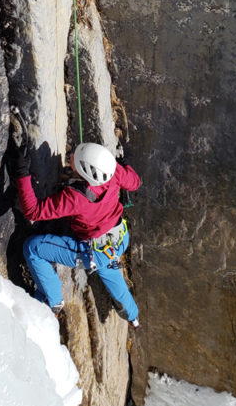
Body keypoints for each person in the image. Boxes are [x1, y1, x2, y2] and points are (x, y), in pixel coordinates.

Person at [11, 140, 142, 327]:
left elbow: (34, 211)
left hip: (91, 255)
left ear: (85, 173)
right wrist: (125, 164)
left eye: (75, 158)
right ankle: (133, 317)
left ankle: (52, 300)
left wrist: (22, 175)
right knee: (112, 274)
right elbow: (135, 183)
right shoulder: (112, 173)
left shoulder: (75, 199)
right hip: (119, 239)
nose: (71, 155)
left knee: (33, 248)